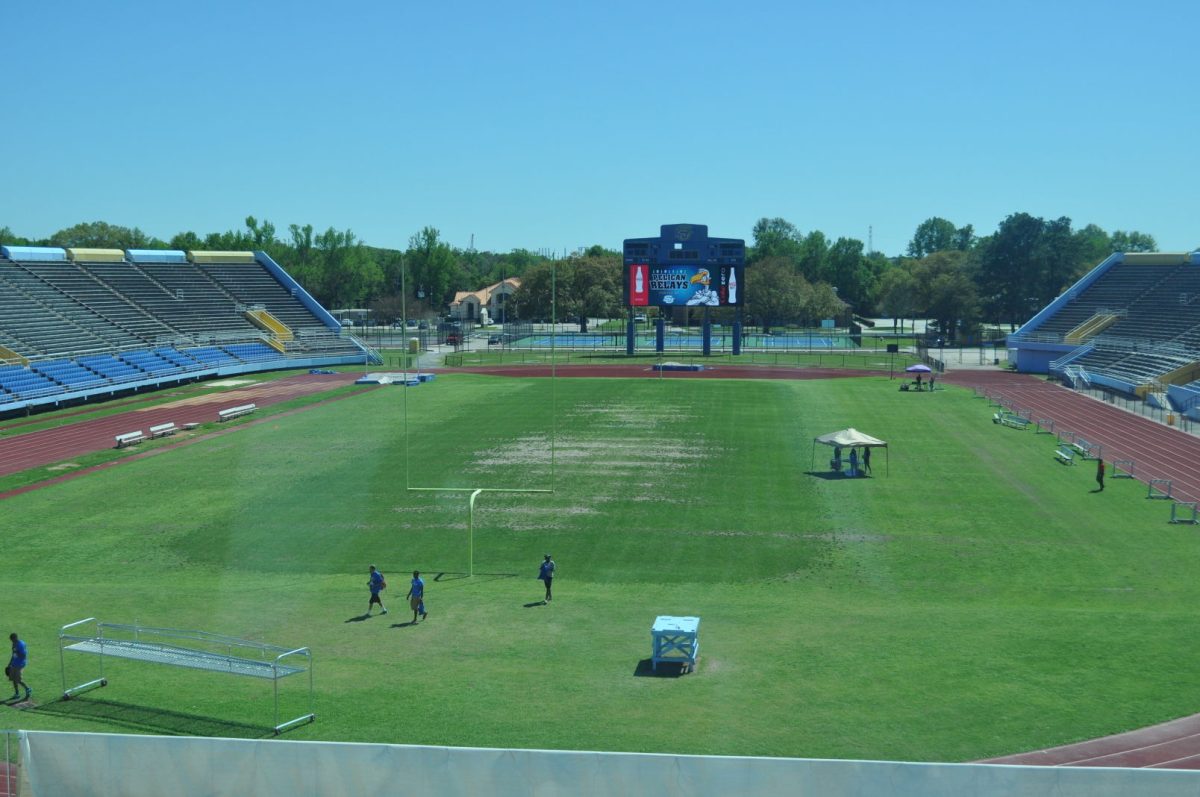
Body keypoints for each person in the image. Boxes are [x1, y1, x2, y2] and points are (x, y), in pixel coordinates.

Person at [8, 633, 29, 701]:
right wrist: (10, 663)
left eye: (12, 640)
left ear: (15, 638)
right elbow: (13, 654)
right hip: (14, 663)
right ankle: (17, 694)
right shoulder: (14, 644)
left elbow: (23, 656)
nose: (12, 642)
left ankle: (28, 689)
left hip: (20, 664)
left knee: (18, 680)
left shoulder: (21, 645)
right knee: (13, 679)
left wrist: (17, 652)